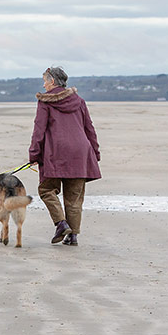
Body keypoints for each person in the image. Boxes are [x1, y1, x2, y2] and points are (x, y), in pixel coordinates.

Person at [28, 66, 100, 246]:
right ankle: (72, 236)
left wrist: (34, 155)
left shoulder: (45, 102)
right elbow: (89, 128)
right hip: (81, 152)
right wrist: (95, 152)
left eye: (45, 80)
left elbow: (39, 131)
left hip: (56, 153)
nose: (43, 85)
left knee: (46, 190)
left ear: (52, 81)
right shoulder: (79, 101)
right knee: (74, 198)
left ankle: (61, 224)